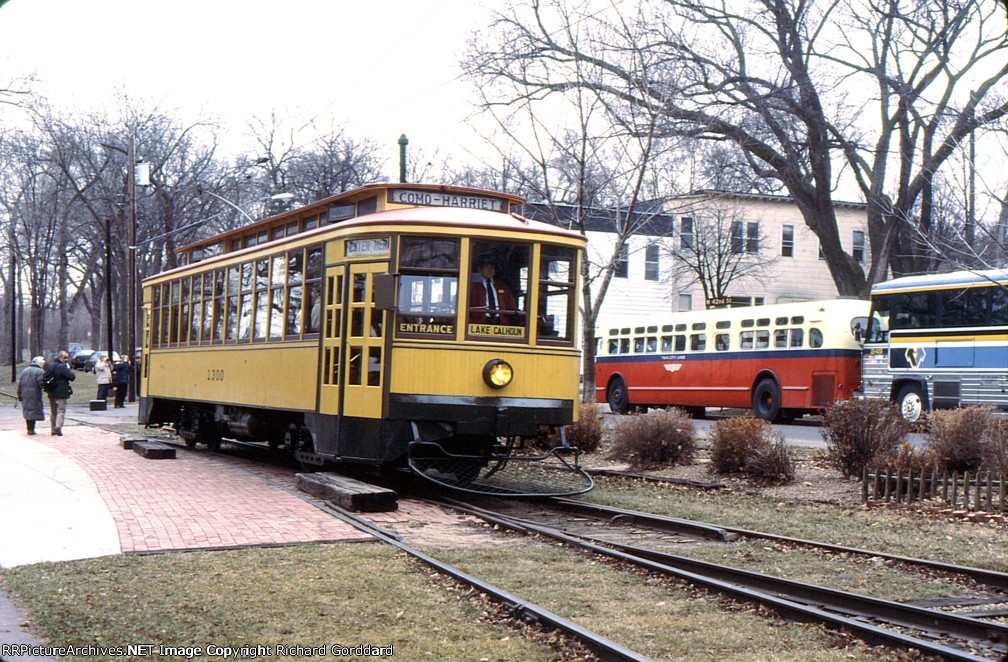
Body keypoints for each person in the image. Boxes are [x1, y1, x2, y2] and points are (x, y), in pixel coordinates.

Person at [468, 255, 517, 325]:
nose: (490, 269)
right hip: (479, 324)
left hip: (500, 323)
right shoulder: (472, 287)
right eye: (486, 266)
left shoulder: (502, 286)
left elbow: (512, 306)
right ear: (479, 269)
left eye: (492, 267)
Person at [44, 350, 75, 436]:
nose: (66, 359)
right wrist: (68, 368)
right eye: (65, 357)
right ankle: (58, 426)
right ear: (60, 357)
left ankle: (53, 429)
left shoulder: (51, 366)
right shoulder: (62, 367)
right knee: (61, 410)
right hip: (61, 392)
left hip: (51, 391)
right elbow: (72, 377)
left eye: (67, 357)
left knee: (53, 412)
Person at [16, 356, 46, 435]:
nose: (44, 362)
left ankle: (29, 428)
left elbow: (20, 384)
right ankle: (31, 429)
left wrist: (19, 394)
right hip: (35, 394)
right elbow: (41, 383)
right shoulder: (40, 371)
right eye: (42, 361)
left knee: (28, 410)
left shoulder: (25, 370)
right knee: (33, 410)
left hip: (25, 393)